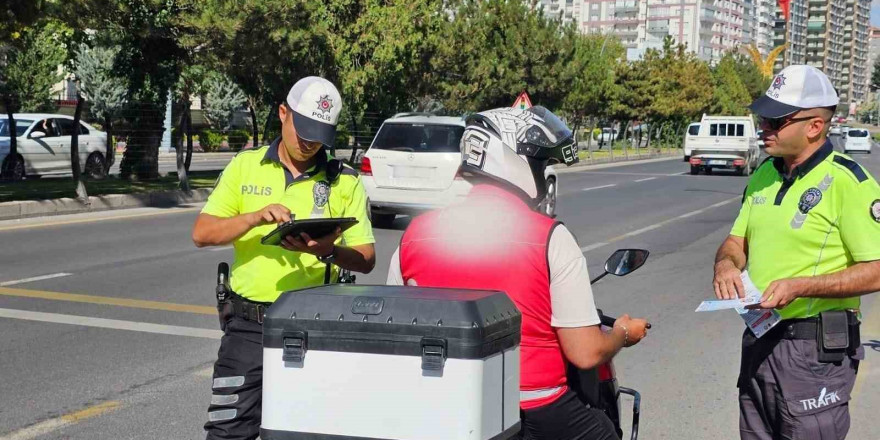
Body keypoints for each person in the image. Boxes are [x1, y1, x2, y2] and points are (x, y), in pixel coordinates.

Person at [386, 106, 649, 440]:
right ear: (515, 163)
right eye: (541, 164)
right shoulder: (550, 237)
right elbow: (585, 353)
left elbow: (397, 329)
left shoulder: (413, 236)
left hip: (441, 405)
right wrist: (624, 333)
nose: (543, 175)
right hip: (534, 407)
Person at [192, 76, 376, 440]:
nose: (309, 143)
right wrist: (255, 217)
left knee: (305, 432)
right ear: (282, 114)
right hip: (247, 328)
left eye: (319, 134)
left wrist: (328, 250)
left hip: (315, 326)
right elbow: (202, 233)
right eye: (304, 130)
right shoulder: (245, 166)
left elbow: (366, 257)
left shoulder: (345, 181)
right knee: (228, 431)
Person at [713, 65, 880, 440]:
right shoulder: (764, 174)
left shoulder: (849, 183)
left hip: (814, 353)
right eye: (763, 118)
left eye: (775, 120)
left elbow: (877, 269)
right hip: (760, 340)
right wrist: (726, 264)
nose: (764, 128)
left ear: (814, 126)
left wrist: (801, 286)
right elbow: (737, 240)